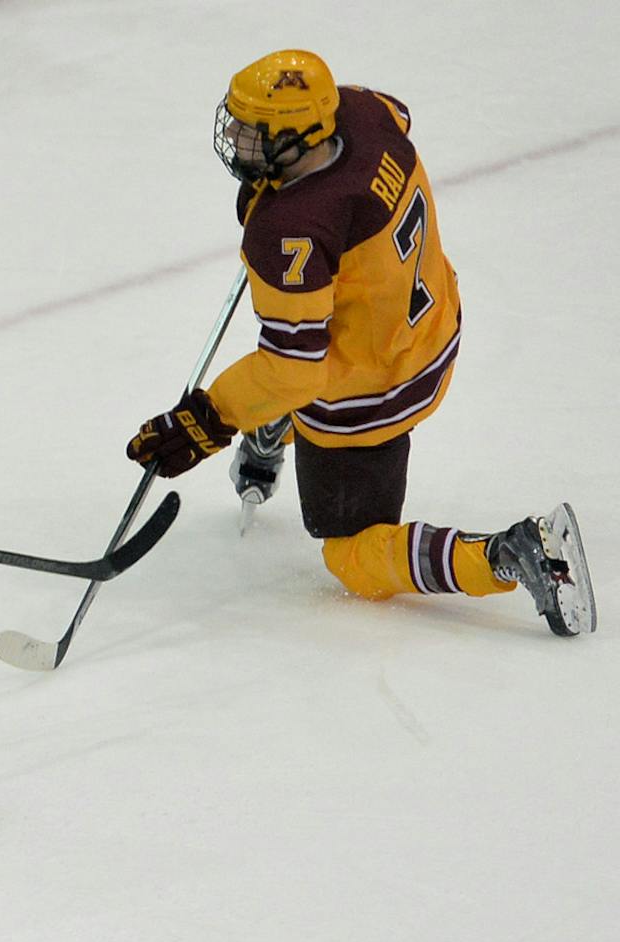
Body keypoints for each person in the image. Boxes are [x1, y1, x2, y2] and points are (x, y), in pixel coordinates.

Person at [125, 49, 596, 637]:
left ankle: (508, 555)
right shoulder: (360, 111)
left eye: (255, 133)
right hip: (431, 324)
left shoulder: (291, 232)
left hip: (373, 391)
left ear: (298, 137)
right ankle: (278, 424)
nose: (238, 141)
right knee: (295, 335)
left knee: (348, 554)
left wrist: (206, 421)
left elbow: (294, 370)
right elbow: (397, 116)